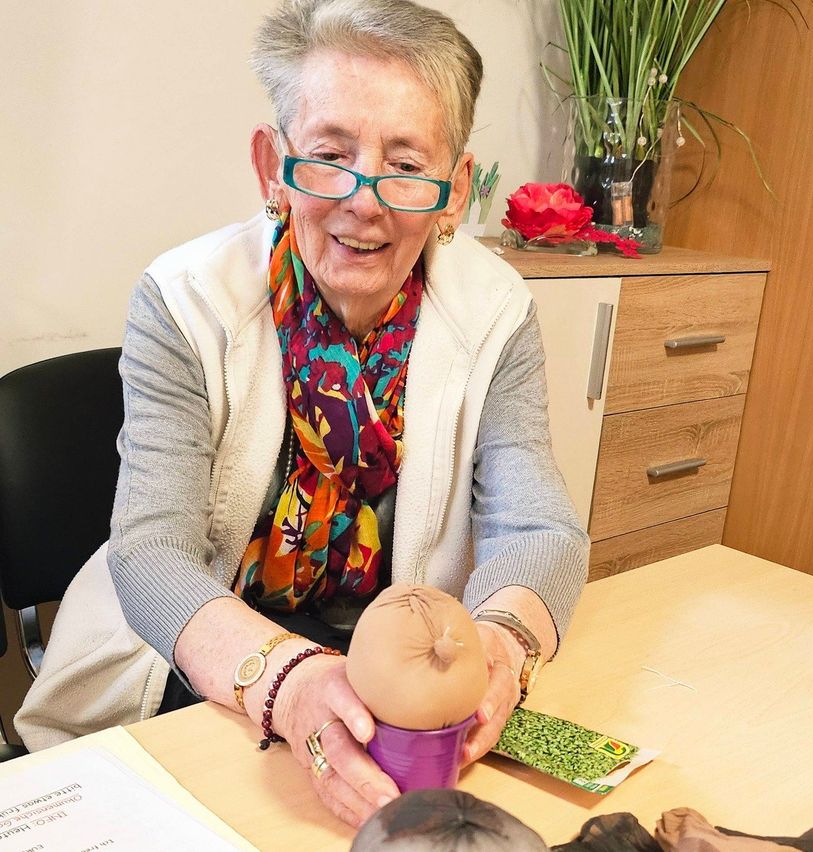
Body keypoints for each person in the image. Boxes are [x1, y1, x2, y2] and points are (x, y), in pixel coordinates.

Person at [16, 0, 589, 828]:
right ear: (273, 166)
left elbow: (538, 527)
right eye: (329, 156)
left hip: (398, 672)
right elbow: (151, 552)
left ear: (455, 190)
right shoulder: (183, 301)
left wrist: (504, 645)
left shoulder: (495, 312)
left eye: (406, 164)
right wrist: (288, 682)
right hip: (205, 657)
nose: (364, 201)